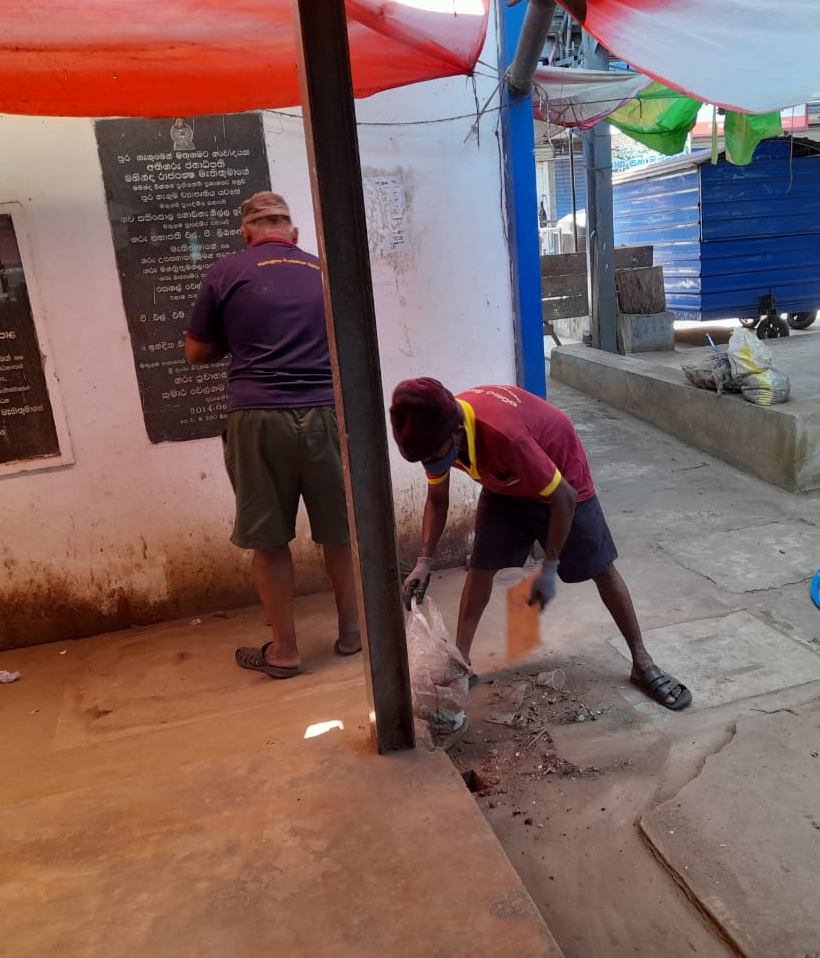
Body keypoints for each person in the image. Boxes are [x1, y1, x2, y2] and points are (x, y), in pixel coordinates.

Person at [388, 379, 692, 711]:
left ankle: (642, 661)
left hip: (562, 481)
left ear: (457, 433)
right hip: (505, 481)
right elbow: (437, 498)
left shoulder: (505, 437)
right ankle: (462, 663)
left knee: (601, 568)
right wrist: (424, 560)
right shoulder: (436, 428)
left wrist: (550, 567)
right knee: (481, 567)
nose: (433, 466)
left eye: (435, 457)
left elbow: (564, 497)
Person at [185, 191, 360, 679]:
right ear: (293, 234)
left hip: (257, 417)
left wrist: (238, 340)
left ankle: (284, 652)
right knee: (341, 535)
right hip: (326, 413)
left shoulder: (225, 272)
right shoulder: (325, 270)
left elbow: (196, 353)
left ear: (247, 235)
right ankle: (351, 634)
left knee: (269, 542)